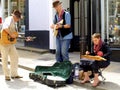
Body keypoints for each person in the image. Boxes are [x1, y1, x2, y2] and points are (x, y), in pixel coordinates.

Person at [0, 10, 23, 81]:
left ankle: (14, 74)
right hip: (4, 42)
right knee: (5, 58)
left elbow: (14, 34)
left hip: (10, 43)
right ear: (14, 16)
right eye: (18, 18)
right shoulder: (9, 19)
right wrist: (11, 34)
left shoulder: (15, 23)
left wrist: (23, 38)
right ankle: (7, 75)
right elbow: (5, 27)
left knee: (15, 57)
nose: (18, 20)